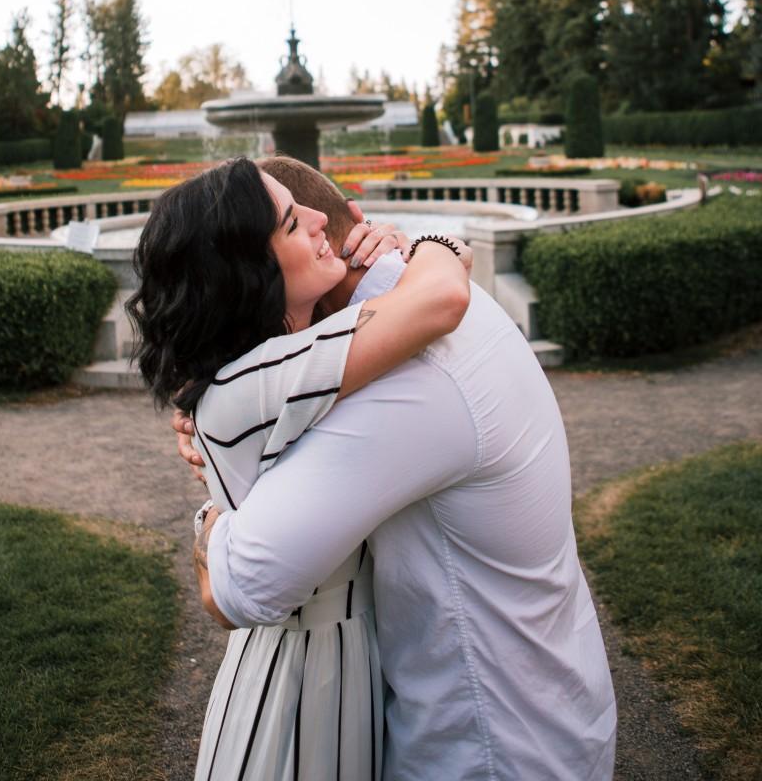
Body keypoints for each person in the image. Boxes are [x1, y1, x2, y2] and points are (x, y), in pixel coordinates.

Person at [180, 156, 617, 780]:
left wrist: (210, 514)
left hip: (486, 742)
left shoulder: (407, 376)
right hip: (550, 699)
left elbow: (240, 585)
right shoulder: (436, 300)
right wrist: (438, 245)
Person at [126, 155, 473, 780]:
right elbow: (442, 295)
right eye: (291, 222)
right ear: (249, 275)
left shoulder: (272, 364)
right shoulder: (256, 381)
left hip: (344, 665)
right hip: (298, 695)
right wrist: (433, 246)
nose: (319, 218)